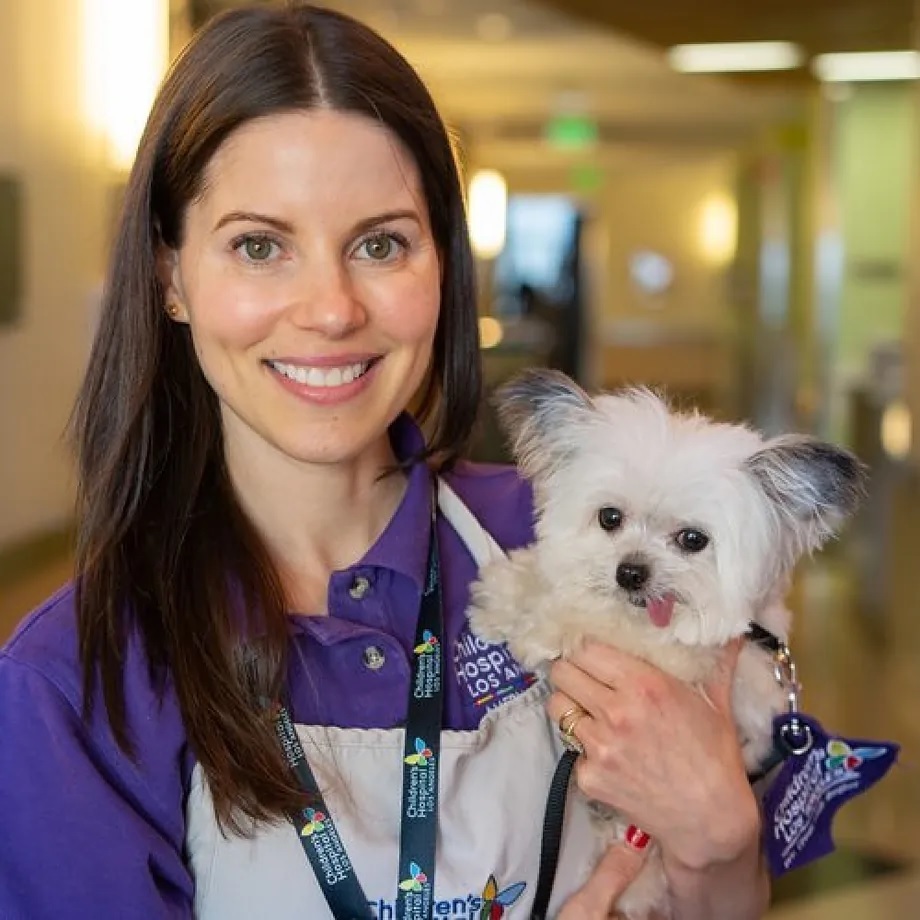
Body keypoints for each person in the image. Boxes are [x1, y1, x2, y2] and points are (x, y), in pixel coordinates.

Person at [0, 4, 768, 918]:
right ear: (170, 275)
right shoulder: (79, 678)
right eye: (259, 245)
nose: (330, 309)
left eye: (380, 243)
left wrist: (721, 842)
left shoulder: (573, 537)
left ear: (442, 263)